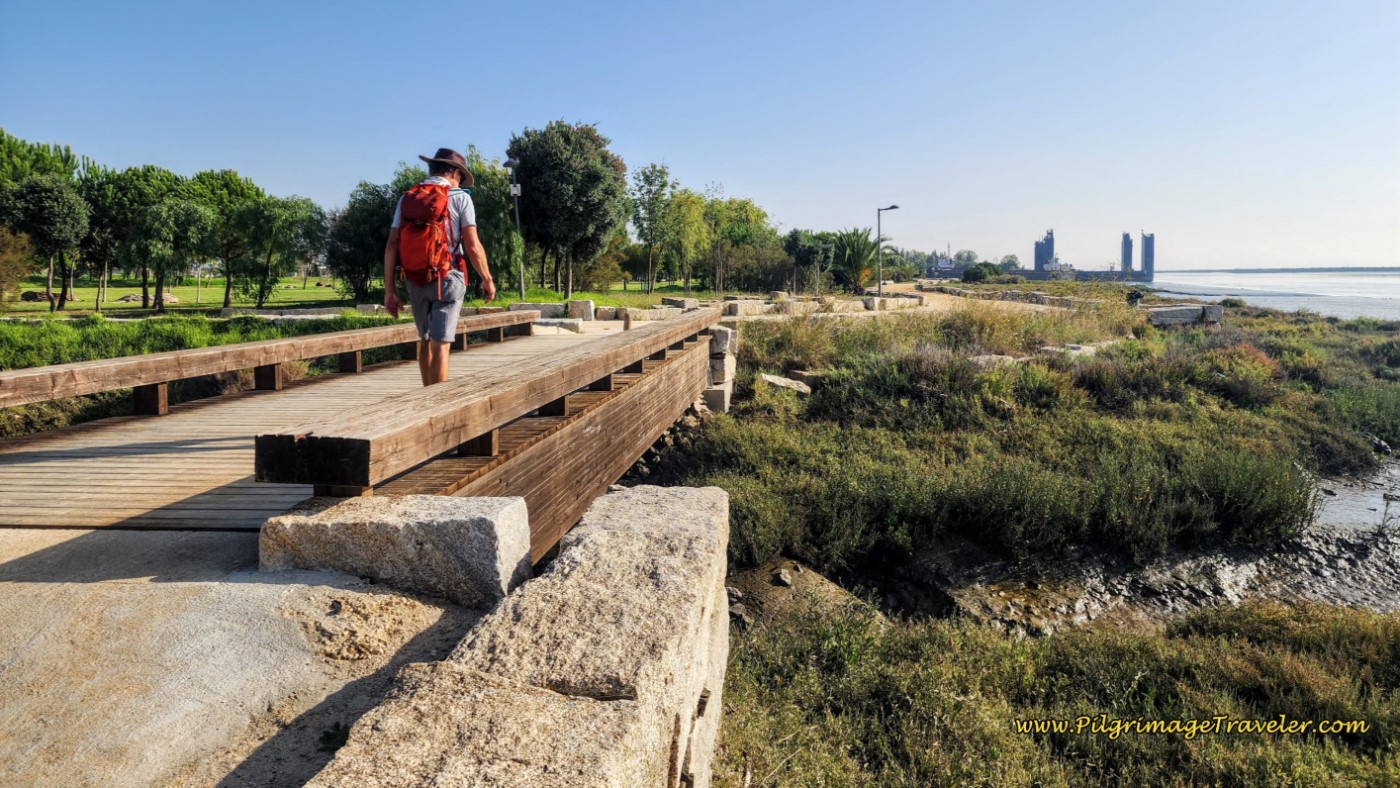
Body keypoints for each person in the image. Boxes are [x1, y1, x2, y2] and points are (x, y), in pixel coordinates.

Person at [383, 148, 497, 385]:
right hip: (447, 278)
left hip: (415, 278)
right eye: (460, 177)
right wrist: (487, 278)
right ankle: (438, 404)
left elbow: (392, 246)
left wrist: (390, 290)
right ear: (454, 172)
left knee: (425, 341)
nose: (460, 182)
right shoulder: (461, 197)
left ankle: (427, 396)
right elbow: (472, 245)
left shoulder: (407, 198)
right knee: (441, 345)